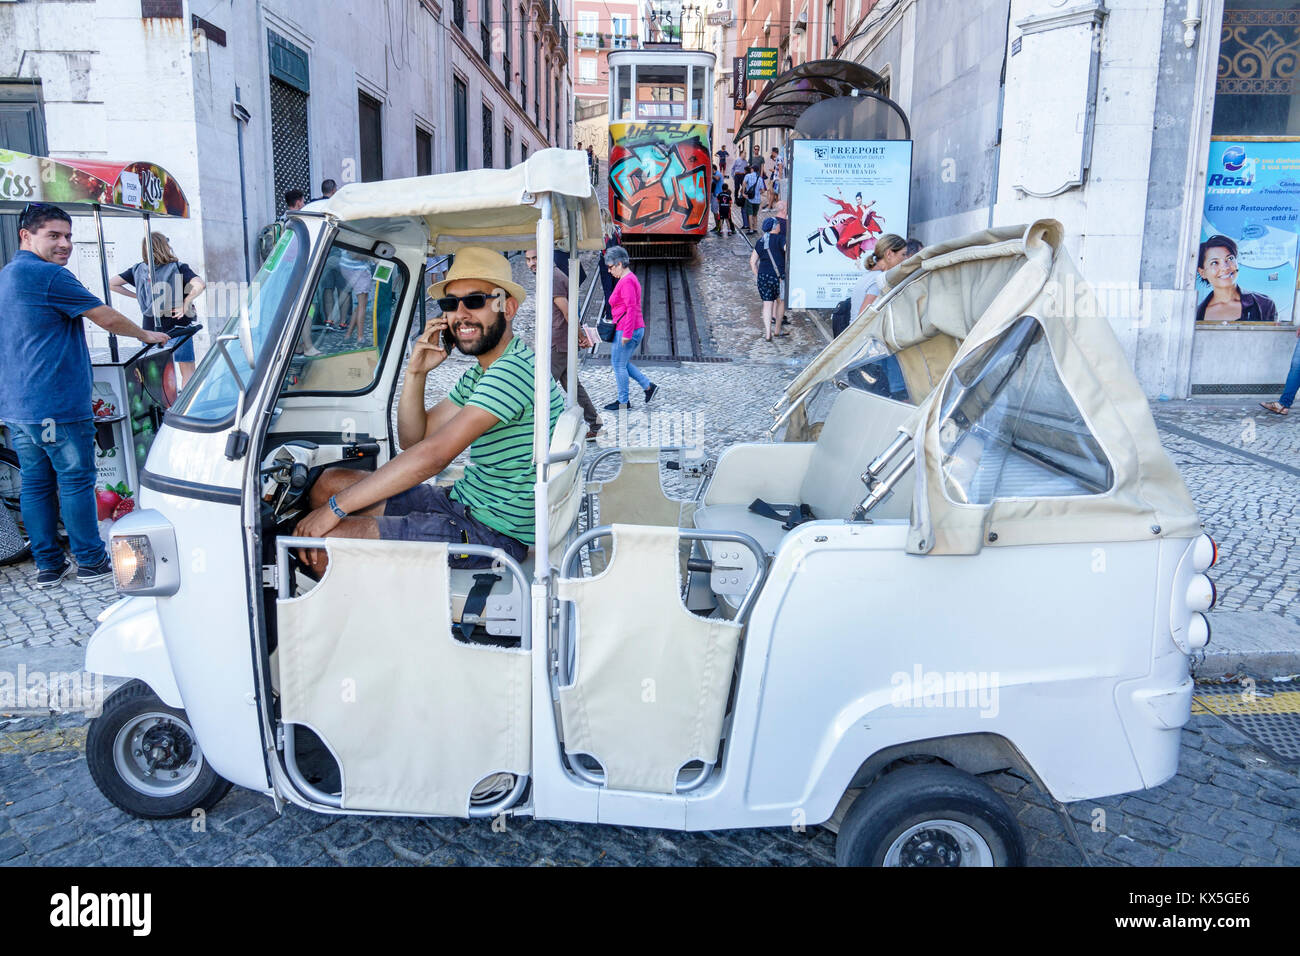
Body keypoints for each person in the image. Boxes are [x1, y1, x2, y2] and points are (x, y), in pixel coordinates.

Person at [294, 246, 563, 573]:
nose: (460, 314)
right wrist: (416, 372)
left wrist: (335, 510)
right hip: (464, 503)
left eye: (475, 300)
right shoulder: (484, 371)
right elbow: (413, 438)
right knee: (328, 482)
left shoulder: (513, 371)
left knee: (325, 549)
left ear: (507, 307)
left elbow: (433, 455)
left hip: (493, 533)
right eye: (450, 304)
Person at [0, 203, 169, 588]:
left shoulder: (7, 275)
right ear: (26, 235)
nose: (65, 244)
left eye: (69, 236)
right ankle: (91, 561)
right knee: (75, 481)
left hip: (18, 407)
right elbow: (104, 315)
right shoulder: (48, 276)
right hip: (55, 404)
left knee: (36, 483)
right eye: (54, 236)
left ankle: (48, 565)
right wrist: (147, 335)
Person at [524, 247, 602, 440]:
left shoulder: (552, 277)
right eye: (528, 259)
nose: (531, 263)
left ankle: (536, 430)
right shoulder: (551, 275)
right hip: (561, 340)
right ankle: (595, 423)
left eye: (535, 258)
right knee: (573, 386)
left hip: (558, 342)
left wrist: (581, 335)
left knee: (541, 387)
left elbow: (567, 311)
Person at [109, 233, 205, 385]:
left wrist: (137, 296)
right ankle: (186, 405)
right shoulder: (178, 268)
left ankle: (162, 406)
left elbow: (112, 284)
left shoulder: (138, 270)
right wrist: (186, 302)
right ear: (165, 247)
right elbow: (200, 284)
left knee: (155, 374)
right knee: (187, 371)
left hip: (150, 329)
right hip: (179, 326)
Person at [602, 245, 656, 411]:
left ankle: (623, 402)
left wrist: (626, 334)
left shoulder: (626, 282)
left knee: (618, 364)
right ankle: (648, 387)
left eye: (610, 267)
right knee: (621, 363)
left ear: (619, 264)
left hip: (627, 329)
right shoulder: (628, 279)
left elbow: (631, 308)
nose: (609, 271)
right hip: (628, 327)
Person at [1196, 235, 1278, 324]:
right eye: (1215, 262)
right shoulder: (1195, 314)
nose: (1225, 268)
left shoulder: (1264, 305)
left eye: (1230, 258)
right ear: (1202, 272)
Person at [850, 233, 907, 319]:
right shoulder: (879, 279)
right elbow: (863, 318)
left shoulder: (872, 275)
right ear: (889, 254)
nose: (905, 259)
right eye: (903, 254)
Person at [750, 217, 787, 340]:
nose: (780, 227)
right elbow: (788, 250)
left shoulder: (760, 241)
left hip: (763, 277)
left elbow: (752, 262)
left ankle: (767, 334)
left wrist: (758, 276)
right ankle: (777, 330)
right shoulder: (781, 239)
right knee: (780, 302)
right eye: (778, 225)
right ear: (774, 227)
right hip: (778, 277)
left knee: (766, 305)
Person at [337, 251, 373, 344]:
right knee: (362, 306)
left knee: (360, 305)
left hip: (347, 267)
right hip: (358, 269)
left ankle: (348, 335)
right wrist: (374, 257)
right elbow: (356, 255)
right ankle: (360, 337)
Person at [741, 164, 762, 233]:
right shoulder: (760, 178)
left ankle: (751, 229)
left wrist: (743, 193)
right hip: (757, 199)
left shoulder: (748, 176)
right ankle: (755, 228)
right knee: (755, 214)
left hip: (749, 198)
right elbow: (762, 190)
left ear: (752, 169)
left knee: (750, 213)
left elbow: (744, 183)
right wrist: (757, 193)